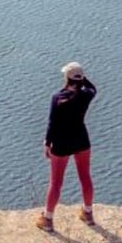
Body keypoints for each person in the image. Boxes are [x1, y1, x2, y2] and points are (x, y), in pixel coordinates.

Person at [37, 61, 96, 231]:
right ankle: (88, 213)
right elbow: (93, 88)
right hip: (81, 140)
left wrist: (47, 143)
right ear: (81, 79)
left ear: (66, 78)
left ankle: (47, 219)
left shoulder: (58, 98)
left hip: (62, 142)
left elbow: (52, 123)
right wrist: (82, 79)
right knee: (85, 176)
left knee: (56, 183)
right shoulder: (87, 95)